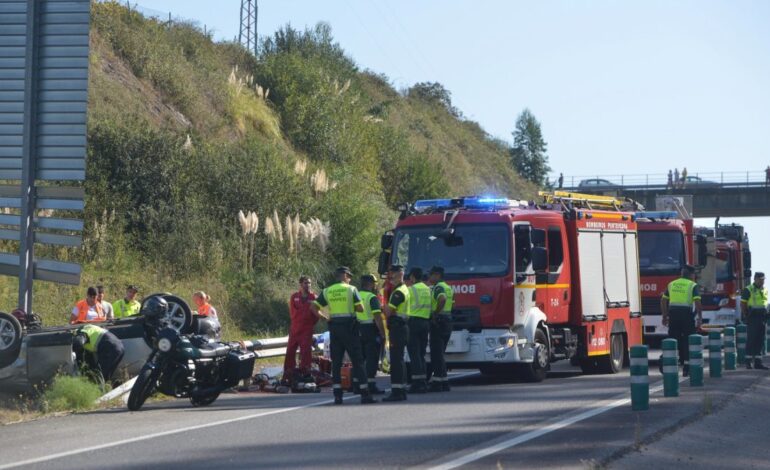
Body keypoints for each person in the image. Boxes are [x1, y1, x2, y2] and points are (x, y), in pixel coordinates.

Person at [311, 267, 376, 405]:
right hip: (349, 328)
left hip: (334, 328)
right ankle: (365, 394)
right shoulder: (351, 289)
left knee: (336, 362)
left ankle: (338, 396)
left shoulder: (328, 290)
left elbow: (314, 307)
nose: (350, 279)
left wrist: (325, 318)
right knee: (357, 360)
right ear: (345, 276)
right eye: (349, 277)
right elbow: (360, 308)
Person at [661, 265, 702, 376]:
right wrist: (699, 318)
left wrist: (665, 316)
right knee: (688, 340)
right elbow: (698, 303)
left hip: (673, 314)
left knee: (674, 339)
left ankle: (669, 362)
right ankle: (686, 366)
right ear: (691, 275)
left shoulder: (672, 284)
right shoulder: (692, 285)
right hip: (686, 315)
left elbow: (663, 301)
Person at [382, 265, 410, 402]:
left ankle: (397, 391)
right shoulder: (402, 289)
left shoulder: (398, 292)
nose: (390, 276)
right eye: (389, 273)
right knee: (399, 359)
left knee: (396, 360)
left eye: (392, 274)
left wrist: (381, 306)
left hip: (397, 327)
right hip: (401, 327)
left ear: (400, 274)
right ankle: (401, 389)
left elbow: (388, 312)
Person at [283, 276, 318, 384]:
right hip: (295, 329)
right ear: (300, 284)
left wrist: (310, 323)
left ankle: (306, 373)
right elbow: (292, 313)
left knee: (306, 353)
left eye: (309, 283)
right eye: (306, 283)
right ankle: (289, 373)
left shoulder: (314, 297)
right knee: (290, 352)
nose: (308, 285)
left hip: (307, 330)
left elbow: (316, 314)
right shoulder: (294, 297)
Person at [357, 274, 386, 395]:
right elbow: (377, 317)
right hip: (370, 330)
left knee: (359, 358)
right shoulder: (372, 297)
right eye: (374, 282)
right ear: (370, 284)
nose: (376, 285)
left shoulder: (356, 295)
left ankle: (357, 384)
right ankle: (371, 384)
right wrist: (382, 332)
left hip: (357, 329)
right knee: (372, 358)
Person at [427, 266, 454, 392]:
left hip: (439, 321)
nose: (430, 277)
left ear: (437, 275)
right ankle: (443, 381)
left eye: (431, 274)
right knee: (440, 353)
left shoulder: (439, 287)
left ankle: (438, 382)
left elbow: (442, 299)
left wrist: (435, 313)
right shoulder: (448, 287)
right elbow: (453, 302)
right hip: (447, 321)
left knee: (436, 353)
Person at [406, 267, 432, 393]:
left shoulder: (411, 290)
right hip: (425, 322)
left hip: (414, 323)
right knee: (421, 353)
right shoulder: (428, 289)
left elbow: (404, 306)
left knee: (414, 354)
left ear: (412, 277)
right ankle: (423, 381)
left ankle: (417, 383)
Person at [741, 272, 768, 369]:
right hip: (753, 316)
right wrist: (746, 315)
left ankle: (758, 362)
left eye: (763, 279)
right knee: (751, 339)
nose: (762, 281)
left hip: (763, 317)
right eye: (760, 279)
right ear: (755, 279)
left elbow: (765, 303)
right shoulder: (748, 289)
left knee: (760, 339)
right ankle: (748, 361)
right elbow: (743, 303)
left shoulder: (765, 290)